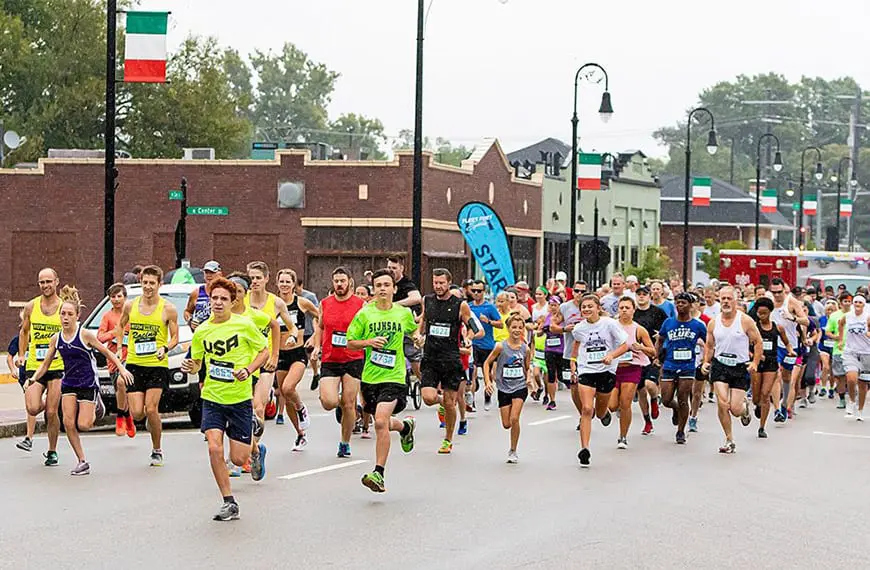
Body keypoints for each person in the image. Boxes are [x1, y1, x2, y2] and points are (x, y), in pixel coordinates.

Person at [182, 277, 269, 521]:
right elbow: (196, 362)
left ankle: (253, 444)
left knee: (238, 459)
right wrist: (191, 366)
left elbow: (264, 351)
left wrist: (249, 370)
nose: (218, 303)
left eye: (223, 299)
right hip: (212, 398)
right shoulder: (202, 331)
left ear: (232, 302)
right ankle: (229, 501)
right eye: (214, 298)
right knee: (214, 447)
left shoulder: (244, 326)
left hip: (239, 399)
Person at [32, 286, 132, 475]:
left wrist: (121, 368)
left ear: (77, 316)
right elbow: (45, 364)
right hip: (69, 383)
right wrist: (33, 378)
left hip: (87, 384)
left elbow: (107, 352)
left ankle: (97, 406)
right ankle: (82, 461)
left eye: (70, 314)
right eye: (63, 314)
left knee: (84, 425)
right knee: (68, 423)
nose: (65, 318)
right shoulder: (56, 338)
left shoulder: (84, 335)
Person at [346, 269, 420, 493]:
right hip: (370, 377)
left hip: (395, 376)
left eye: (386, 285)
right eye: (378, 285)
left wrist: (417, 338)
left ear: (394, 289)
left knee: (379, 421)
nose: (382, 289)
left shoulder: (402, 313)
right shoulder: (365, 314)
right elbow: (350, 342)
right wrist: (369, 341)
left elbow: (414, 330)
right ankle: (405, 426)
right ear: (373, 290)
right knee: (384, 422)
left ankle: (379, 473)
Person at [116, 265, 179, 467]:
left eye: (152, 283)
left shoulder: (168, 308)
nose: (148, 287)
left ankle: (157, 449)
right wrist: (119, 348)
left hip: (157, 365)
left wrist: (165, 348)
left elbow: (175, 337)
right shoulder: (130, 306)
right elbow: (120, 325)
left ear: (159, 285)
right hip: (135, 364)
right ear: (140, 283)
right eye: (145, 283)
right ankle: (143, 422)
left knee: (151, 409)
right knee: (137, 413)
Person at [419, 268, 482, 454]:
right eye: (435, 283)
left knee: (450, 402)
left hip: (451, 358)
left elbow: (472, 325)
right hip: (431, 356)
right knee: (428, 398)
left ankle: (448, 439)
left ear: (449, 283)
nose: (438, 286)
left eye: (441, 283)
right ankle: (442, 402)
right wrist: (417, 334)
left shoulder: (460, 305)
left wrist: (469, 337)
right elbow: (422, 322)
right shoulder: (427, 300)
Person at [247, 263, 304, 446]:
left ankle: (250, 452)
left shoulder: (276, 303)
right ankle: (249, 448)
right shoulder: (242, 301)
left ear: (266, 279)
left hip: (266, 361)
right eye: (252, 278)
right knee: (243, 409)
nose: (254, 281)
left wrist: (292, 337)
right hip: (244, 360)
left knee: (259, 408)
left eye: (258, 278)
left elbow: (291, 326)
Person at [569, 295, 629, 467]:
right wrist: (573, 363)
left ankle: (604, 414)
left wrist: (611, 355)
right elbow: (577, 346)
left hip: (606, 371)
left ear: (597, 307)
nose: (586, 310)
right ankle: (585, 449)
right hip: (587, 370)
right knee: (587, 409)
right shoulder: (579, 328)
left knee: (600, 411)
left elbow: (625, 345)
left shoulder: (609, 324)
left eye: (590, 306)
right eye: (583, 307)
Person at [312, 267, 365, 457]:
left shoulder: (360, 304)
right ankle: (332, 395)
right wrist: (317, 346)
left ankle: (345, 442)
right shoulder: (325, 303)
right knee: (329, 402)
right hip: (330, 358)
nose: (339, 284)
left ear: (350, 281)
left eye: (343, 281)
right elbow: (320, 327)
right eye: (336, 281)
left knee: (348, 404)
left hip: (353, 358)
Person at [701, 286, 761, 454]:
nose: (726, 302)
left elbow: (758, 342)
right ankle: (729, 439)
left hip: (739, 367)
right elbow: (710, 345)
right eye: (723, 299)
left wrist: (754, 362)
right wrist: (706, 362)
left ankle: (743, 409)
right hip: (720, 365)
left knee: (735, 409)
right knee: (723, 403)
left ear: (735, 300)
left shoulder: (745, 321)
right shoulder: (713, 322)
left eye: (729, 298)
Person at [16, 268, 65, 462]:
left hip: (57, 365)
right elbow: (24, 332)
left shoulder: (63, 308)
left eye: (48, 281)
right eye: (41, 282)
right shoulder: (31, 306)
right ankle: (48, 403)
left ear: (56, 282)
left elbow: (69, 334)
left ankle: (52, 450)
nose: (45, 285)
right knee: (33, 408)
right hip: (35, 365)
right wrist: (21, 355)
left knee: (52, 412)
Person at [655, 292, 707, 444]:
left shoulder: (697, 325)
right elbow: (660, 339)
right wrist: (657, 357)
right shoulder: (668, 323)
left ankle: (680, 431)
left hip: (687, 366)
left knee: (683, 398)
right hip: (670, 364)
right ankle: (675, 409)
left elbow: (708, 342)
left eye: (683, 303)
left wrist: (706, 359)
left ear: (691, 305)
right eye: (677, 303)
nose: (680, 305)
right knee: (666, 399)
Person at [483, 314, 533, 463]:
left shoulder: (525, 349)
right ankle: (512, 444)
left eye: (520, 327)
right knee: (506, 424)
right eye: (514, 327)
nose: (517, 330)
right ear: (508, 328)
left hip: (520, 386)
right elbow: (486, 363)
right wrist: (488, 382)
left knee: (514, 418)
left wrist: (529, 378)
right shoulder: (500, 346)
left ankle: (513, 450)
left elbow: (527, 367)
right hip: (503, 387)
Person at [611, 297, 654, 448]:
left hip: (632, 368)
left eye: (627, 307)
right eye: (621, 307)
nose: (624, 310)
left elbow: (652, 351)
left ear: (633, 310)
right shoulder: (611, 326)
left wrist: (641, 347)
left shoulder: (639, 329)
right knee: (611, 405)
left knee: (625, 404)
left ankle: (622, 437)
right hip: (613, 368)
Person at [750, 297, 794, 438]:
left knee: (765, 394)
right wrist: (755, 355)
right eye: (759, 313)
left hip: (771, 363)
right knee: (756, 397)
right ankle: (757, 405)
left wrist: (790, 350)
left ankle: (762, 427)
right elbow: (745, 346)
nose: (761, 316)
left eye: (764, 313)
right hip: (757, 363)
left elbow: (786, 342)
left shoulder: (777, 327)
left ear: (770, 312)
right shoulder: (753, 328)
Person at [770, 278, 809, 422]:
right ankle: (776, 410)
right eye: (774, 292)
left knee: (787, 378)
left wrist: (792, 318)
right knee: (775, 375)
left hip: (790, 346)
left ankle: (785, 404)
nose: (777, 295)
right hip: (773, 344)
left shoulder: (792, 302)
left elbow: (806, 321)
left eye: (779, 292)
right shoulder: (768, 301)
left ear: (784, 290)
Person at [98, 283, 134, 437]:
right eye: (113, 296)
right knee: (120, 389)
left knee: (122, 382)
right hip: (113, 358)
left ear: (125, 298)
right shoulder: (107, 316)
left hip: (130, 356)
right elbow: (100, 337)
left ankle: (120, 416)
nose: (116, 299)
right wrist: (114, 333)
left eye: (119, 296)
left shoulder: (132, 314)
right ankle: (127, 417)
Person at [632, 285, 667, 435]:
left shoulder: (658, 312)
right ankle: (647, 422)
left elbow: (667, 330)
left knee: (650, 384)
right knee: (640, 391)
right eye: (639, 294)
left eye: (644, 294)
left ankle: (654, 398)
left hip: (653, 354)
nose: (641, 297)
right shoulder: (632, 313)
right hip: (635, 356)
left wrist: (661, 336)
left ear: (649, 296)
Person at [387, 255, 423, 389]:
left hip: (407, 324)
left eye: (394, 268)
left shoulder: (406, 284)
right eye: (389, 267)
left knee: (412, 353)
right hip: (389, 325)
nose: (391, 270)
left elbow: (416, 298)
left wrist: (394, 305)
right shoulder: (386, 281)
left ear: (401, 268)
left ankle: (426, 383)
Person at [468, 280, 503, 411]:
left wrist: (488, 321)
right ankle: (471, 401)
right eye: (474, 291)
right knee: (473, 373)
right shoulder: (468, 307)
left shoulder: (490, 307)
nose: (476, 293)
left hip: (487, 345)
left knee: (488, 373)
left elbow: (501, 324)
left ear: (484, 292)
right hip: (473, 344)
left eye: (479, 291)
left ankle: (487, 395)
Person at [552, 286, 585, 422]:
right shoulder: (565, 307)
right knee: (574, 387)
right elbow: (553, 325)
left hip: (589, 354)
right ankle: (583, 415)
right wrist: (565, 329)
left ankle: (591, 408)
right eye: (577, 291)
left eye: (583, 291)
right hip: (570, 353)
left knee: (590, 386)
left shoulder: (592, 305)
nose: (579, 294)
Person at [838, 295, 870, 420]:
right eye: (855, 302)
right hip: (850, 351)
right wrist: (841, 340)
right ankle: (851, 401)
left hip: (866, 352)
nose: (857, 304)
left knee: (863, 384)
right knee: (851, 378)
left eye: (860, 303)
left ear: (863, 305)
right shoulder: (848, 316)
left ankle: (860, 410)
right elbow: (841, 324)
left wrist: (867, 334)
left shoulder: (867, 317)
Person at [8, 311, 36, 449]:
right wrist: (14, 369)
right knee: (30, 407)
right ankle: (29, 437)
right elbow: (10, 357)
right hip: (25, 376)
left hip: (43, 373)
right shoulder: (18, 338)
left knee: (47, 406)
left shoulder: (40, 337)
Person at [294, 276, 321, 390]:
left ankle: (315, 373)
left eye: (296, 288)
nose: (294, 291)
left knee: (312, 355)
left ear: (301, 286)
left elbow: (317, 313)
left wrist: (315, 334)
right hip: (295, 332)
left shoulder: (309, 297)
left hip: (309, 329)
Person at [827, 293, 852, 410]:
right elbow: (828, 332)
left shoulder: (857, 314)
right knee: (841, 376)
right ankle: (842, 399)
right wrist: (836, 337)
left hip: (854, 350)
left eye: (849, 301)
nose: (847, 303)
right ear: (840, 303)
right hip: (839, 350)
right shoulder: (834, 316)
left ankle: (852, 396)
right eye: (845, 301)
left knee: (852, 376)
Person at [540, 296, 565, 410]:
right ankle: (552, 400)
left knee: (561, 375)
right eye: (550, 305)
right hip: (549, 349)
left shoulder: (563, 317)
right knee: (551, 375)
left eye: (555, 305)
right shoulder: (546, 317)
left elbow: (566, 329)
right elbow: (539, 332)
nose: (553, 307)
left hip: (561, 349)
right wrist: (542, 330)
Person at [183, 260, 222, 329]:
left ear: (220, 274)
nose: (209, 275)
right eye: (206, 272)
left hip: (219, 332)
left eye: (212, 272)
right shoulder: (196, 292)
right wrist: (190, 321)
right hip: (200, 334)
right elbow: (187, 312)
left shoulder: (225, 292)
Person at [817, 299, 838, 399]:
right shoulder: (822, 319)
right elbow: (819, 332)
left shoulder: (839, 319)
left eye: (832, 310)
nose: (830, 312)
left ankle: (831, 388)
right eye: (828, 310)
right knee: (826, 367)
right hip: (823, 346)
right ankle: (824, 387)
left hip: (835, 346)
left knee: (833, 369)